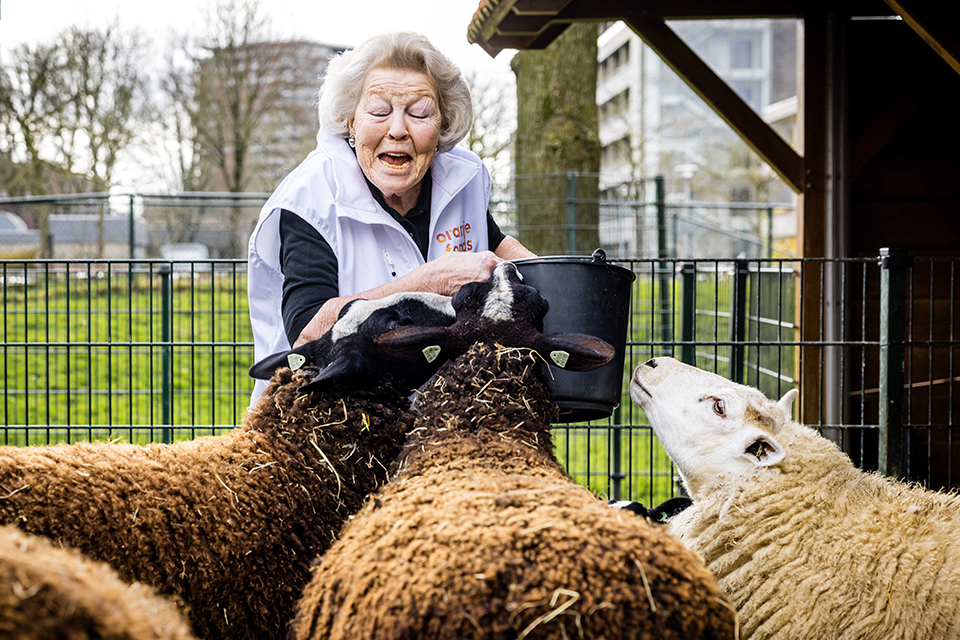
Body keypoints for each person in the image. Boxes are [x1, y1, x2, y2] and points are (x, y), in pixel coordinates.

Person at [247, 31, 535, 399]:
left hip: (442, 411)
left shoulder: (464, 178)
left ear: (443, 125)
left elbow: (494, 243)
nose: (397, 130)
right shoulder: (310, 198)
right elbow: (309, 331)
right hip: (333, 412)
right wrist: (428, 281)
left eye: (419, 113)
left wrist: (556, 273)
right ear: (351, 122)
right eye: (379, 112)